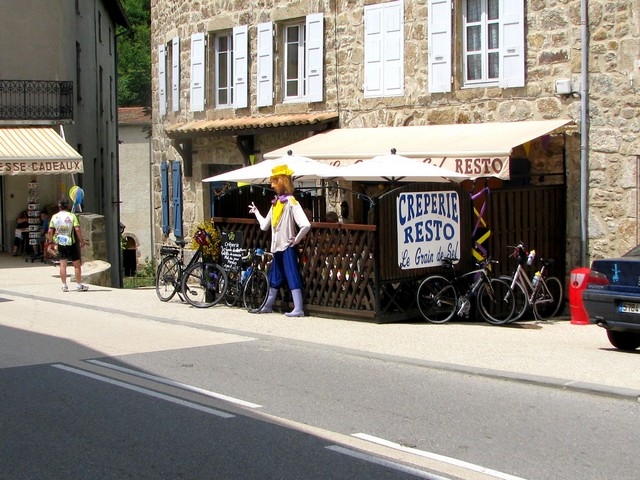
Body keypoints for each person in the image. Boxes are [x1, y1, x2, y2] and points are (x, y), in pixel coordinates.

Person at [249, 164, 311, 316]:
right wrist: (256, 212)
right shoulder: (275, 203)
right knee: (275, 275)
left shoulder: (291, 202)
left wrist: (296, 240)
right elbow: (264, 226)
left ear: (282, 181)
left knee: (291, 274)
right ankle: (269, 305)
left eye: (275, 181)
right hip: (277, 247)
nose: (271, 185)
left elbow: (306, 224)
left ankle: (298, 308)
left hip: (287, 246)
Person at [48, 198, 89, 292]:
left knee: (63, 265)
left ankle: (64, 285)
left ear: (59, 206)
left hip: (61, 242)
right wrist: (81, 241)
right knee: (77, 265)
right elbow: (77, 229)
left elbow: (50, 230)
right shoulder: (72, 216)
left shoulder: (54, 217)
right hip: (72, 242)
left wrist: (51, 241)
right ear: (67, 206)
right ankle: (79, 285)